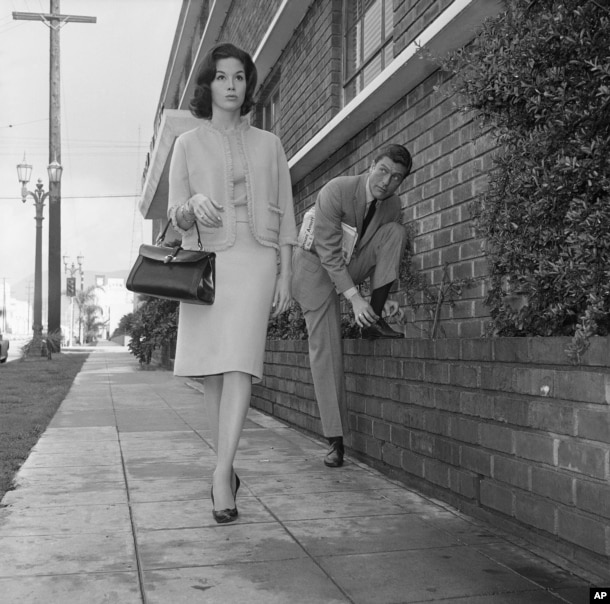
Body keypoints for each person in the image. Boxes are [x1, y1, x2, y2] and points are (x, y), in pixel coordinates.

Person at [168, 43, 297, 523]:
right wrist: (193, 203)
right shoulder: (187, 144)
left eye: (239, 77)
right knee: (214, 371)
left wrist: (285, 269)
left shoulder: (270, 143)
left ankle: (222, 474)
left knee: (241, 363)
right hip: (209, 261)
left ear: (248, 86)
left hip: (257, 258)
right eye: (221, 77)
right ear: (209, 85)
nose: (230, 86)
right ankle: (225, 466)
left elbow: (286, 206)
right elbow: (175, 213)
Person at [292, 144, 412, 468]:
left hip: (349, 264)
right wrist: (354, 299)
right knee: (327, 350)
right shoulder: (336, 191)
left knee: (396, 233)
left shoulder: (392, 207)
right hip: (314, 268)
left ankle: (372, 322)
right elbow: (329, 254)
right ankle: (336, 440)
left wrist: (381, 300)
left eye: (396, 178)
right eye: (383, 170)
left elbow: (379, 250)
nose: (387, 182)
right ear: (372, 165)